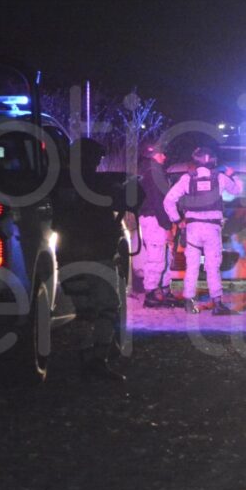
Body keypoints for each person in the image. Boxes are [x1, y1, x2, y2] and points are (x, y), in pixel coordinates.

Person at [51, 138, 134, 381]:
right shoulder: (99, 184)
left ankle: (87, 357)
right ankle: (96, 359)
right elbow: (129, 198)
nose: (99, 163)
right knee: (107, 306)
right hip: (97, 256)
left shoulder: (58, 182)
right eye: (97, 159)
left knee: (84, 310)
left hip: (68, 255)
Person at [163, 146, 242, 315]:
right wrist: (232, 175)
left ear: (196, 160)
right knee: (213, 266)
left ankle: (189, 302)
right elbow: (237, 190)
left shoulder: (186, 179)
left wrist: (177, 220)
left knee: (192, 266)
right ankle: (217, 304)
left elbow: (168, 201)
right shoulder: (220, 178)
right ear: (212, 160)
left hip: (193, 228)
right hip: (212, 228)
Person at [138, 142, 183, 308]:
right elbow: (159, 202)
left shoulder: (151, 171)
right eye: (161, 154)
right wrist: (166, 225)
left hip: (155, 218)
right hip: (154, 219)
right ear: (153, 155)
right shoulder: (153, 173)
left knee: (165, 257)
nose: (164, 156)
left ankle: (164, 291)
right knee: (156, 258)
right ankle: (151, 294)